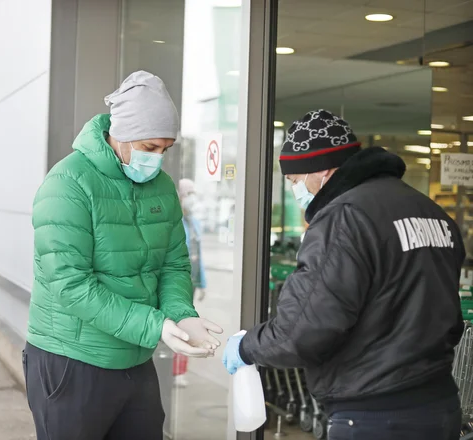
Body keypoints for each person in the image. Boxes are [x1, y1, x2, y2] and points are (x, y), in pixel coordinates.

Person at [222, 109, 466, 440]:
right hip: (439, 404)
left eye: (295, 180)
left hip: (374, 414)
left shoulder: (344, 218)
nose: (296, 191)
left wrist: (246, 346)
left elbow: (305, 329)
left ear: (322, 170)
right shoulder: (431, 212)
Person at [25, 71, 223, 440]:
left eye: (165, 149)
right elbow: (70, 283)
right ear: (122, 135)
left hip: (135, 357)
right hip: (72, 360)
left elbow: (173, 263)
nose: (158, 159)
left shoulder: (162, 188)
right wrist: (156, 325)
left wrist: (181, 314)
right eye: (150, 148)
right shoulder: (67, 184)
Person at [173, 178, 208, 388]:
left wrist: (202, 282)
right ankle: (170, 368)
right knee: (175, 325)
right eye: (188, 193)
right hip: (176, 282)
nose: (191, 199)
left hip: (190, 283)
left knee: (186, 325)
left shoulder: (194, 223)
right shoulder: (173, 221)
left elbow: (198, 254)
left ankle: (179, 371)